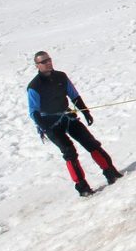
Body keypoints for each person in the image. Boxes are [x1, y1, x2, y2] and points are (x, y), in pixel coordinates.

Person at [27, 51, 123, 196]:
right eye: (44, 61)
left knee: (91, 144)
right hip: (50, 124)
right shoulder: (34, 86)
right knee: (69, 152)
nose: (48, 63)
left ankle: (111, 173)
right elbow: (33, 111)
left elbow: (74, 95)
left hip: (67, 117)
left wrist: (85, 112)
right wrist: (45, 128)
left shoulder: (61, 76)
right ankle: (82, 187)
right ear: (37, 66)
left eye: (49, 60)